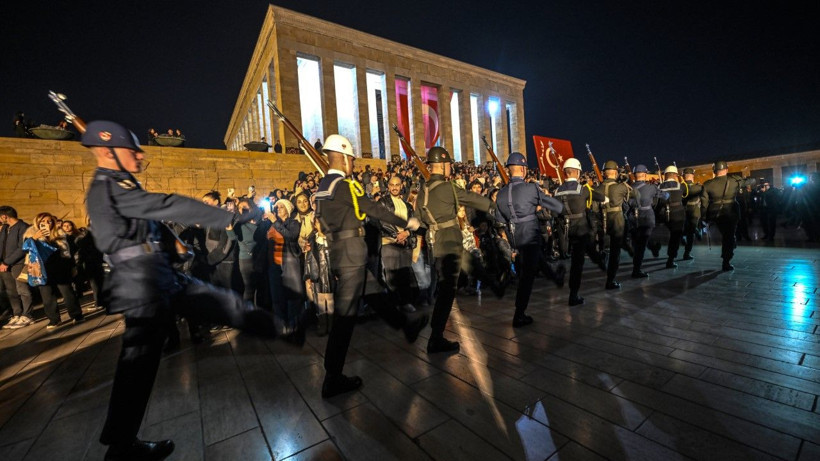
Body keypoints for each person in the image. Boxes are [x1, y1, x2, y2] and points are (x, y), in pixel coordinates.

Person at [81, 120, 296, 460]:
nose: (140, 155)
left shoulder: (119, 184)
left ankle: (275, 326)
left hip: (157, 276)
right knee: (138, 366)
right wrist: (226, 217)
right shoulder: (109, 189)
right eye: (131, 150)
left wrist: (174, 247)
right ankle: (120, 447)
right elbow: (165, 205)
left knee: (211, 309)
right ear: (108, 153)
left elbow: (152, 223)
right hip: (141, 285)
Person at [314, 134, 427, 398]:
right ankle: (332, 378)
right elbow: (374, 209)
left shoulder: (323, 187)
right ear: (343, 158)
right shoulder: (345, 186)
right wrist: (407, 222)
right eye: (352, 159)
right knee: (344, 318)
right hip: (352, 254)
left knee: (376, 294)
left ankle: (407, 325)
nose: (353, 163)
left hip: (340, 253)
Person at [415, 146, 500, 353]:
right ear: (442, 165)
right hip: (450, 241)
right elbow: (473, 199)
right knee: (447, 291)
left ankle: (492, 282)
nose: (450, 167)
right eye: (448, 164)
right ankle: (435, 338)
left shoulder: (423, 191)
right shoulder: (448, 187)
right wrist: (495, 206)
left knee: (455, 279)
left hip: (435, 245)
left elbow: (419, 222)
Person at [494, 152, 563, 327]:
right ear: (524, 170)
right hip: (530, 235)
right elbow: (553, 205)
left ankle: (556, 277)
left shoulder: (501, 194)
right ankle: (519, 314)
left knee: (534, 263)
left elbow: (500, 220)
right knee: (527, 277)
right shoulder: (531, 188)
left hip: (514, 239)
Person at [554, 158, 607, 306]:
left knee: (587, 250)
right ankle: (573, 295)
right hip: (581, 230)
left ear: (565, 173)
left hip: (566, 230)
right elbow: (601, 197)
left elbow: (554, 213)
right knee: (577, 263)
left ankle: (600, 260)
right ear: (577, 172)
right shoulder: (582, 189)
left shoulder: (557, 191)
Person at [24, 212, 84, 328]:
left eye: (49, 221)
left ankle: (77, 315)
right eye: (43, 221)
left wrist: (72, 266)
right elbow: (25, 249)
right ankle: (54, 319)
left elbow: (67, 252)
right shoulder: (30, 233)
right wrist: (35, 238)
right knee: (47, 295)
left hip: (60, 266)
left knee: (67, 292)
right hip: (41, 267)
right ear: (37, 222)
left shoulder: (59, 232)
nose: (47, 223)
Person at [700, 161, 756, 270]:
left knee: (726, 235)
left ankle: (730, 246)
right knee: (728, 236)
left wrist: (704, 217)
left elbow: (704, 203)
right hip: (731, 213)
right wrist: (747, 179)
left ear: (714, 171)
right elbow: (751, 181)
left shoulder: (707, 184)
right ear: (726, 170)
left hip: (715, 214)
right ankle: (726, 261)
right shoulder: (734, 180)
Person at [378, 175, 418, 312]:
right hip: (389, 243)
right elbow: (382, 221)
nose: (394, 187)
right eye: (392, 185)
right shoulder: (382, 202)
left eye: (397, 185)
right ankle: (394, 305)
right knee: (391, 275)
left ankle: (406, 302)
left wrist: (406, 233)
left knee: (405, 274)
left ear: (401, 186)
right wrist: (397, 235)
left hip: (405, 243)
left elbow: (413, 223)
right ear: (388, 186)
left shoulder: (407, 205)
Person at [595, 160, 635, 289]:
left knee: (604, 248)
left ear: (604, 173)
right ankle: (610, 280)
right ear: (616, 173)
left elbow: (593, 209)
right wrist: (626, 182)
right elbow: (636, 195)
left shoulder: (597, 189)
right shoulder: (621, 187)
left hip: (602, 222)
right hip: (617, 222)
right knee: (615, 252)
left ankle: (603, 261)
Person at [628, 165, 665, 278]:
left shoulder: (627, 187)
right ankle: (636, 270)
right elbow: (665, 196)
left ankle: (653, 248)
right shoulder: (651, 187)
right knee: (641, 246)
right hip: (646, 219)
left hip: (632, 219)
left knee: (637, 244)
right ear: (644, 175)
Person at [0, 206, 33, 329]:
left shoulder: (23, 227)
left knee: (22, 290)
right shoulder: (5, 228)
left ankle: (27, 315)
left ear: (4, 216)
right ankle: (17, 314)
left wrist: (7, 262)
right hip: (4, 265)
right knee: (11, 292)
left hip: (18, 263)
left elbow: (22, 248)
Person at [658, 165, 686, 268]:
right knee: (675, 237)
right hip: (677, 214)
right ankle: (670, 259)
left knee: (673, 234)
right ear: (675, 175)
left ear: (665, 175)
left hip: (664, 214)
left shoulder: (659, 186)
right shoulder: (680, 185)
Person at [681, 168, 703, 260]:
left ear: (683, 177)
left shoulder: (680, 187)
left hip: (682, 212)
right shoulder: (698, 187)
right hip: (695, 211)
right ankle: (687, 253)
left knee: (683, 229)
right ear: (692, 176)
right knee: (691, 233)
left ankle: (685, 237)